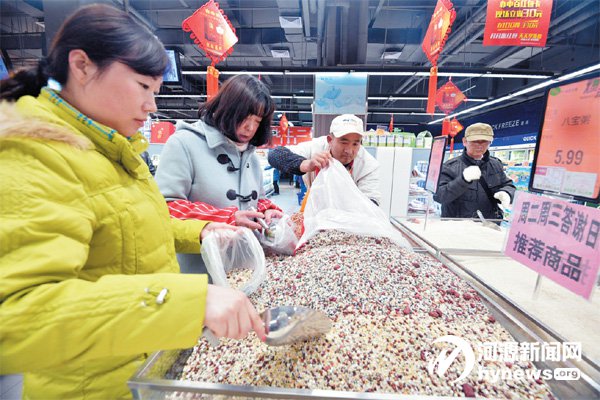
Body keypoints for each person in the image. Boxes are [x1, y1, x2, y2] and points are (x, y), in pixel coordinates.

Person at [0, 5, 265, 399]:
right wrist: (189, 302)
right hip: (90, 387)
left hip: (139, 364)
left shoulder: (114, 149)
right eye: (143, 87)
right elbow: (17, 316)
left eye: (155, 92)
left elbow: (135, 226)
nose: (152, 106)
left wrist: (203, 230)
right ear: (82, 66)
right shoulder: (34, 154)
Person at [155, 74, 284, 274]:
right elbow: (165, 207)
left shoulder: (250, 155)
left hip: (243, 270)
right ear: (227, 109)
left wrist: (266, 210)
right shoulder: (183, 144)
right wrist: (225, 217)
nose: (250, 128)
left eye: (257, 121)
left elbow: (258, 199)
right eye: (244, 117)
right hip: (197, 271)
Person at [267, 114, 381, 205]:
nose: (349, 151)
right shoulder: (315, 147)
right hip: (315, 208)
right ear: (330, 140)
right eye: (344, 142)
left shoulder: (368, 165)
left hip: (351, 212)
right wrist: (306, 164)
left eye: (355, 144)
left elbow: (372, 202)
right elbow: (274, 154)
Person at [433, 122, 516, 219]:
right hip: (458, 225)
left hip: (489, 224)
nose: (480, 146)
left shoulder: (496, 164)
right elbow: (440, 196)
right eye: (475, 141)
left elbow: (508, 184)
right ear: (465, 141)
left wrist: (507, 193)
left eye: (484, 141)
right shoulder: (450, 167)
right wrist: (463, 180)